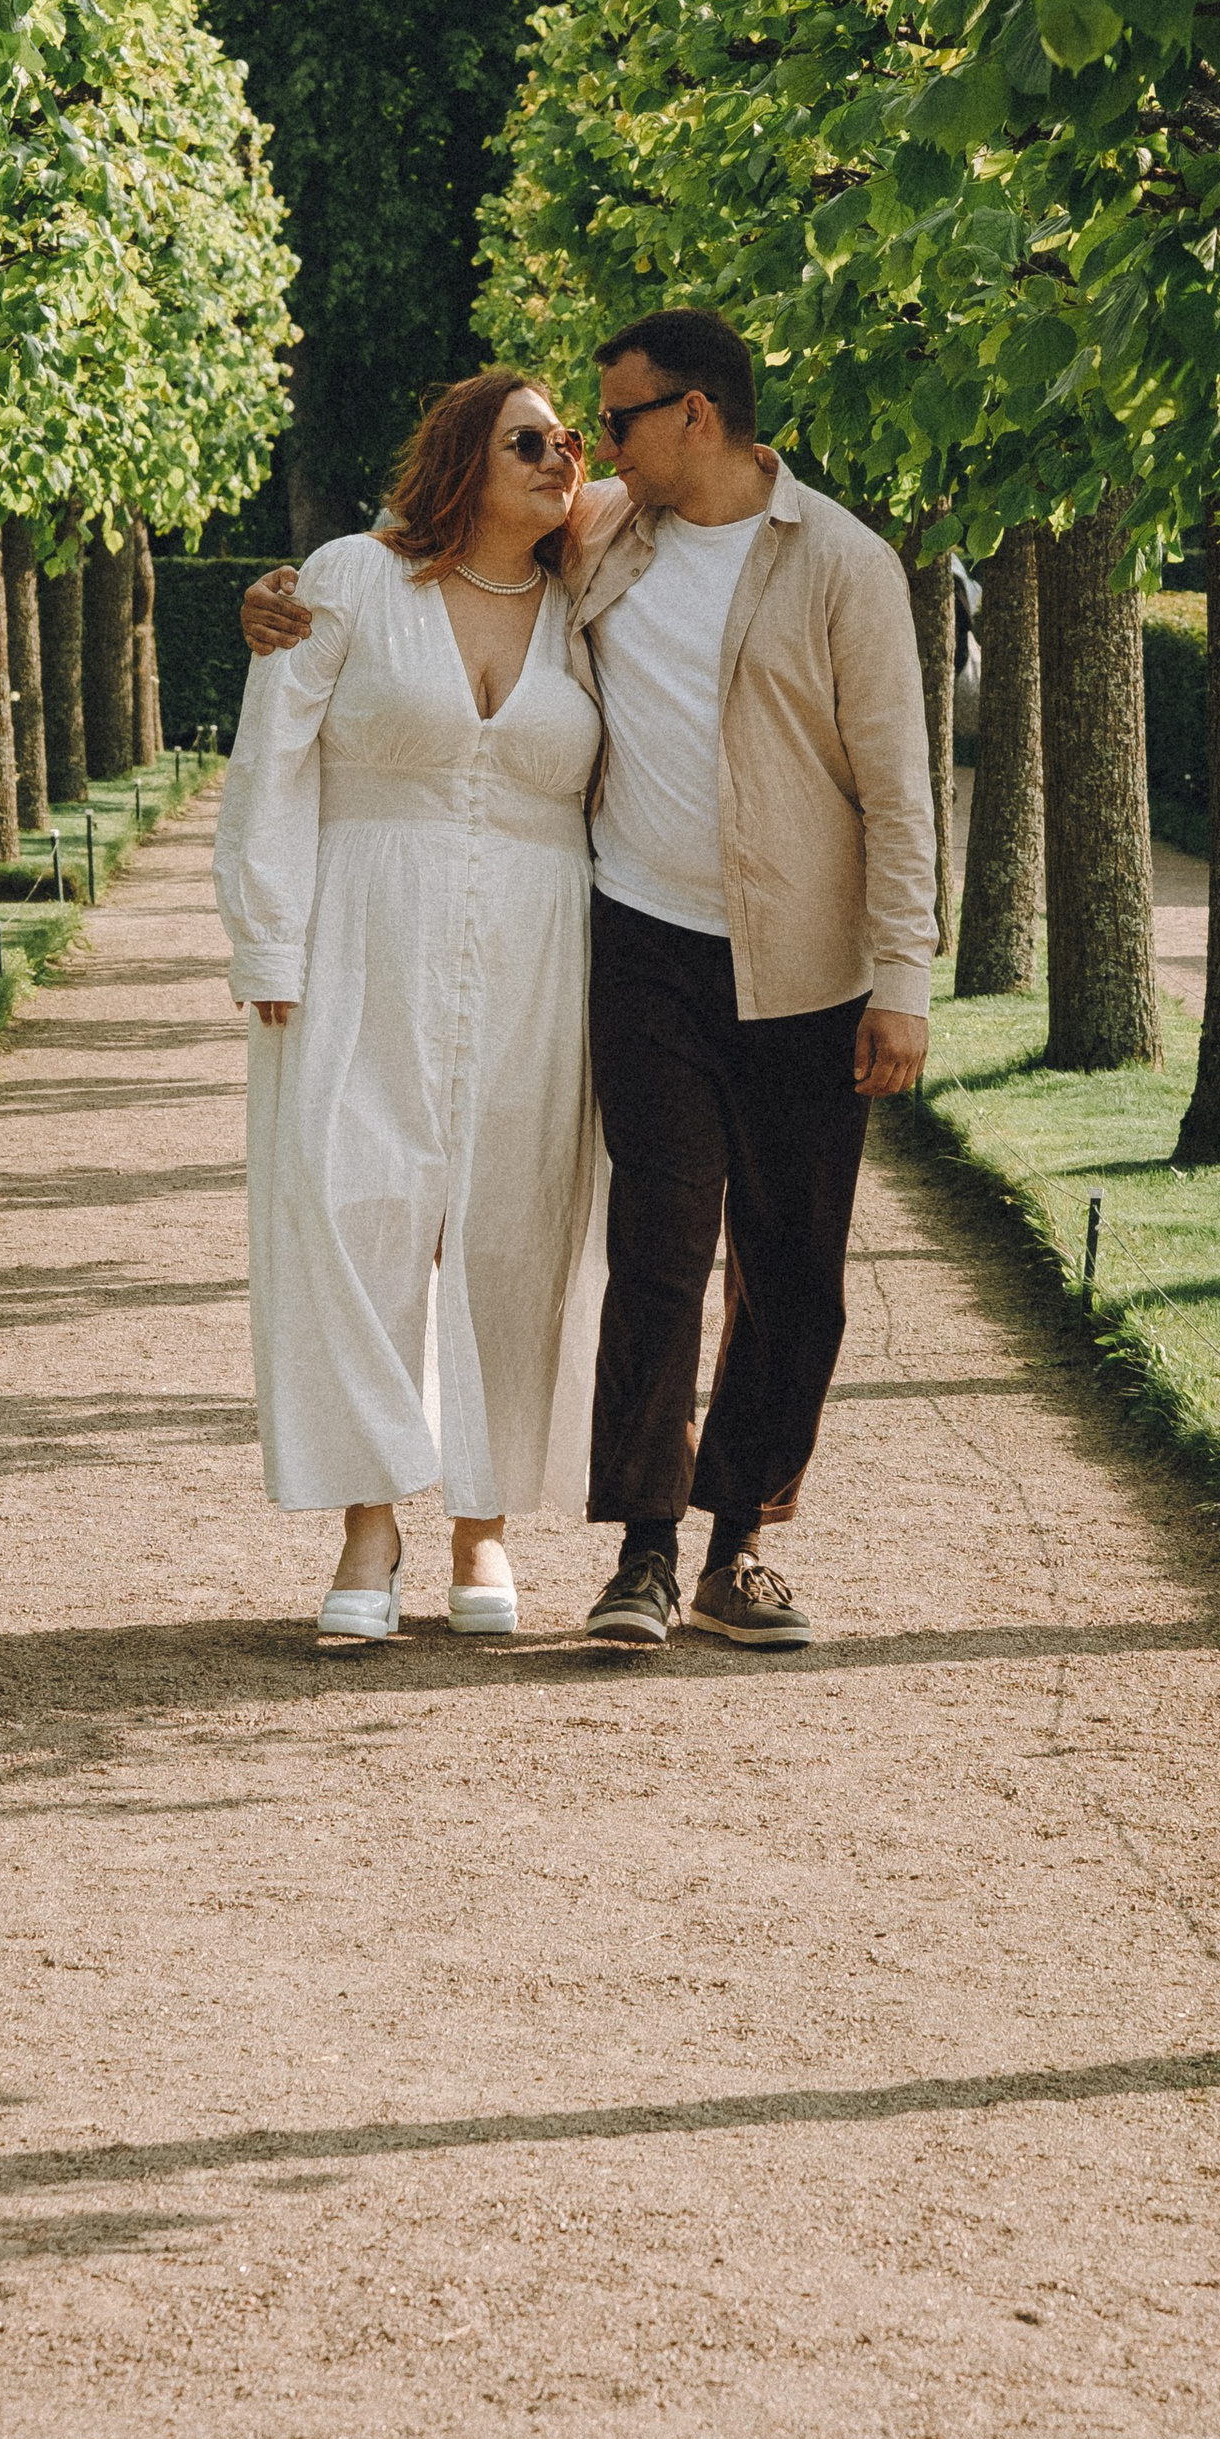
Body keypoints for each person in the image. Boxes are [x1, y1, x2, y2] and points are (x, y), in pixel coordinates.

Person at [244, 306, 937, 1651]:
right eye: (564, 435)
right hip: (639, 945)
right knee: (652, 1250)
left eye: (602, 426)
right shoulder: (609, 540)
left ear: (692, 418)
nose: (583, 454)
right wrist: (277, 593)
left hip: (800, 962)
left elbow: (901, 793)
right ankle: (640, 1552)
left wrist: (903, 978)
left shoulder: (839, 564)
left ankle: (738, 1548)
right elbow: (394, 580)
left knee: (791, 1271)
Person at [214, 371, 599, 1645]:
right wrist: (270, 944)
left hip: (544, 955)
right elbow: (272, 756)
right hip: (360, 939)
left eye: (571, 443)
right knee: (354, 1209)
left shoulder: (592, 597)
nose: (559, 460)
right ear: (461, 456)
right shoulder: (348, 579)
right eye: (528, 441)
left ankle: (482, 1524)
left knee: (511, 1223)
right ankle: (368, 1519)